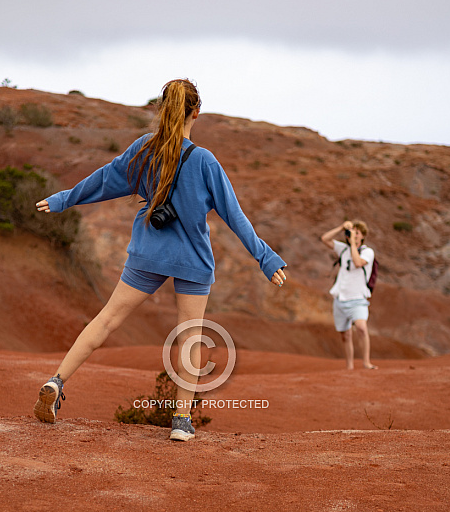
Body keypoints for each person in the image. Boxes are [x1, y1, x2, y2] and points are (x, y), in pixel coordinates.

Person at [33, 78, 287, 441]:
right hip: (192, 261)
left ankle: (56, 381)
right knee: (189, 336)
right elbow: (235, 216)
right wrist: (266, 258)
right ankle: (181, 421)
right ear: (196, 112)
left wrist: (63, 199)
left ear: (161, 108)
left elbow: (103, 180)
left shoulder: (143, 149)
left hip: (147, 254)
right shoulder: (204, 161)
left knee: (106, 320)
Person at [320, 220, 377, 371]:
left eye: (357, 233)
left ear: (363, 236)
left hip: (358, 299)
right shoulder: (343, 249)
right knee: (345, 335)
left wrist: (352, 244)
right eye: (352, 232)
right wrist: (341, 227)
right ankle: (350, 366)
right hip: (340, 298)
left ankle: (366, 362)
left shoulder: (367, 252)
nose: (354, 235)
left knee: (361, 328)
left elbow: (358, 263)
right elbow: (325, 238)